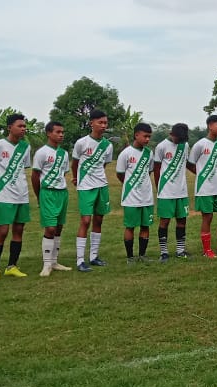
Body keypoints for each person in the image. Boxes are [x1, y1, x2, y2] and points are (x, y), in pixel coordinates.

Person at [0, 113, 32, 280]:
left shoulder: (25, 147)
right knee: (3, 231)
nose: (23, 129)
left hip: (22, 195)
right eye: (20, 126)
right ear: (9, 127)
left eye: (24, 126)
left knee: (18, 230)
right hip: (3, 195)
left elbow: (24, 168)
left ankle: (12, 266)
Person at [71, 109, 113, 271]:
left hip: (102, 185)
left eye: (105, 123)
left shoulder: (108, 145)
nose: (103, 125)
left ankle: (94, 257)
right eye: (100, 122)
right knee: (85, 221)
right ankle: (80, 260)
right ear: (91, 123)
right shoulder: (81, 143)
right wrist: (76, 178)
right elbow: (75, 163)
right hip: (85, 187)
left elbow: (104, 164)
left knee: (99, 220)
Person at [31, 121, 73, 276]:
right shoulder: (41, 152)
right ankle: (47, 264)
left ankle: (55, 262)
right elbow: (35, 175)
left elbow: (64, 173)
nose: (61, 135)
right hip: (47, 192)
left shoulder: (64, 153)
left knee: (59, 227)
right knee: (50, 228)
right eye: (58, 132)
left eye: (62, 132)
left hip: (62, 193)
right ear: (49, 133)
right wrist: (39, 195)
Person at [188, 114, 217, 258]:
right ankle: (207, 251)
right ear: (210, 126)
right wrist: (201, 174)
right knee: (207, 218)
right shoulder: (200, 144)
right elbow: (190, 163)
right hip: (204, 189)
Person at [116, 122, 156, 265]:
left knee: (145, 226)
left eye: (149, 137)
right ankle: (130, 257)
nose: (147, 139)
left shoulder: (149, 153)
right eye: (145, 136)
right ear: (136, 135)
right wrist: (130, 185)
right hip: (131, 198)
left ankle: (142, 255)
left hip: (147, 197)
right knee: (130, 226)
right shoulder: (125, 153)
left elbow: (149, 171)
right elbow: (120, 174)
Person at [153, 123, 191, 262]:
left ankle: (180, 250)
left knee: (182, 221)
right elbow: (156, 169)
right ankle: (164, 252)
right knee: (164, 221)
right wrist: (159, 188)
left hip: (182, 191)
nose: (179, 141)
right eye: (177, 139)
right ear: (171, 134)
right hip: (166, 192)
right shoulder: (161, 146)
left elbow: (186, 163)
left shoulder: (184, 145)